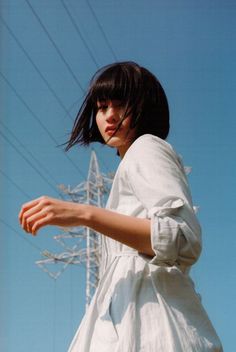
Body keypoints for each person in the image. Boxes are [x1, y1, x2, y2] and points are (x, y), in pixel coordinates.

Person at [19, 61, 223, 351]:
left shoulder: (146, 147)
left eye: (120, 105)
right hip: (126, 319)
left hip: (152, 326)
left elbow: (182, 237)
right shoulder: (130, 164)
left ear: (144, 107)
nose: (110, 116)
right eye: (102, 108)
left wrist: (83, 214)